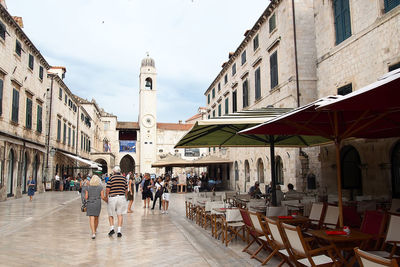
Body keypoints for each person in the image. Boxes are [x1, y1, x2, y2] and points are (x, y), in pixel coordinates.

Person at [106, 166, 128, 238]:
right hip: (121, 197)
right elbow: (126, 189)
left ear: (114, 172)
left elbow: (108, 189)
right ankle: (119, 231)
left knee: (111, 214)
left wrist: (106, 196)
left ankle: (112, 228)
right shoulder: (124, 178)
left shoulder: (111, 178)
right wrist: (126, 197)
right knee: (120, 214)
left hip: (112, 197)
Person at [85, 175, 106, 239]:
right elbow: (102, 197)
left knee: (91, 218)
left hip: (90, 202)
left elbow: (86, 197)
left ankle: (93, 232)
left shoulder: (88, 188)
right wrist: (107, 200)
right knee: (96, 217)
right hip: (97, 203)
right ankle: (95, 229)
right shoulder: (100, 187)